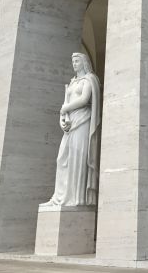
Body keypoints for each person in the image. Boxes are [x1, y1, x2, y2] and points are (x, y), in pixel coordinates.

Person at [41, 52, 101, 207]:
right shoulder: (73, 82)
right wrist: (62, 119)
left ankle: (76, 198)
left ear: (84, 62)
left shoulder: (89, 79)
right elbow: (64, 106)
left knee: (77, 157)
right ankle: (59, 196)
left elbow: (84, 99)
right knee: (62, 158)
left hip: (83, 119)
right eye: (72, 61)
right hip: (70, 122)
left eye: (77, 61)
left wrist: (66, 107)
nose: (74, 64)